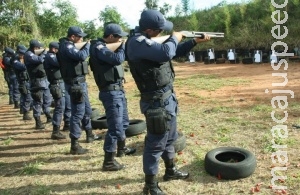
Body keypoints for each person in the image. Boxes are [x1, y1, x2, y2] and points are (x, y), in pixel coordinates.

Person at [126, 9, 211, 195]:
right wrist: (175, 36)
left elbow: (173, 52)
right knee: (155, 144)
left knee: (170, 139)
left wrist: (193, 41)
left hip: (167, 99)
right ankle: (150, 186)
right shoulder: (136, 43)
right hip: (155, 102)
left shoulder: (148, 42)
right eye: (160, 30)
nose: (162, 33)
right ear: (149, 30)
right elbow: (166, 51)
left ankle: (170, 171)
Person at [89, 23, 136, 171]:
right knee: (115, 127)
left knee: (123, 122)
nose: (120, 39)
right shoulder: (98, 47)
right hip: (110, 92)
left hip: (118, 90)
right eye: (118, 37)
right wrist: (122, 46)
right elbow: (117, 59)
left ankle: (121, 149)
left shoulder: (107, 46)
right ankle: (108, 161)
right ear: (110, 37)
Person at [58, 26, 101, 155]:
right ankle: (74, 144)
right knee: (77, 114)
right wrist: (87, 45)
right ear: (72, 37)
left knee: (87, 110)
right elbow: (82, 56)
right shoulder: (67, 46)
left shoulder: (70, 45)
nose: (82, 39)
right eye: (80, 37)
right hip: (75, 85)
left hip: (80, 83)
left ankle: (89, 134)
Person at [44, 42, 71, 140]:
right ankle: (55, 131)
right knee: (60, 107)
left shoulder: (53, 55)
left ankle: (67, 124)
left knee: (67, 105)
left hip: (61, 83)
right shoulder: (50, 56)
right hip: (56, 84)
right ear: (54, 49)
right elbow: (59, 63)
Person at [24, 39, 53, 129]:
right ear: (35, 47)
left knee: (47, 99)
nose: (40, 48)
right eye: (39, 47)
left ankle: (48, 116)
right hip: (36, 81)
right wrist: (44, 52)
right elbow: (39, 60)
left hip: (44, 80)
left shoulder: (37, 53)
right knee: (38, 101)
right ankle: (38, 121)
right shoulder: (28, 54)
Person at [11, 45, 33, 120]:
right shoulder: (15, 61)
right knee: (27, 97)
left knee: (25, 97)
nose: (23, 56)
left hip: (27, 81)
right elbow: (23, 67)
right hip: (22, 82)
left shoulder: (21, 60)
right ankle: (25, 113)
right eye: (22, 55)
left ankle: (24, 111)